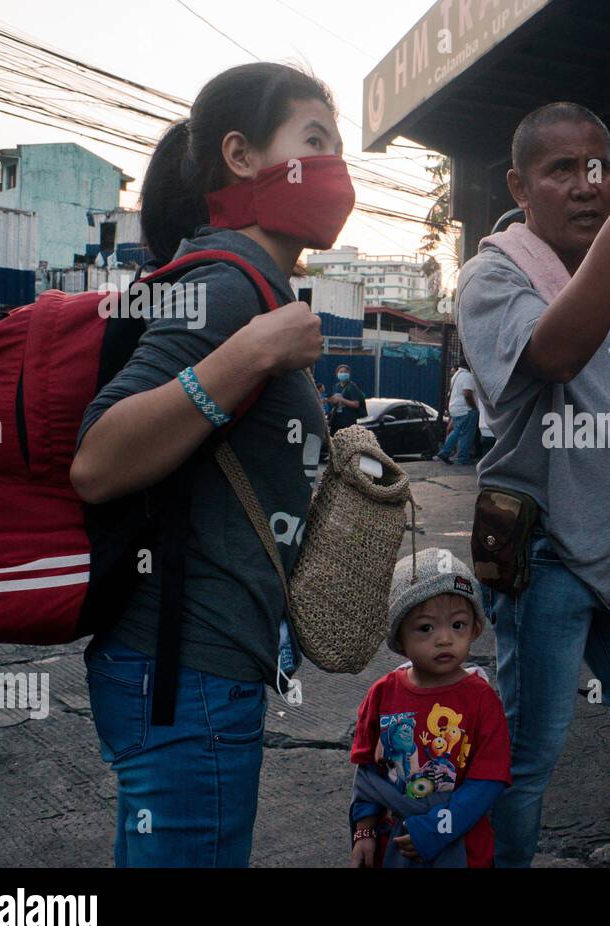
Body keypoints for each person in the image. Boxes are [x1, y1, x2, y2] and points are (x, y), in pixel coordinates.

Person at [70, 63, 350, 866]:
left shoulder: (250, 284)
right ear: (240, 154)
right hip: (186, 671)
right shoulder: (228, 289)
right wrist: (251, 353)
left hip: (189, 668)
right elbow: (98, 458)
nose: (335, 169)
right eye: (314, 142)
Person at [457, 101, 610, 867]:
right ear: (520, 185)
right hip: (546, 560)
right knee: (529, 759)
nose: (591, 186)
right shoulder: (493, 274)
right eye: (564, 170)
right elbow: (554, 354)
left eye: (602, 168)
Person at [348, 548, 511, 868]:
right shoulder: (383, 694)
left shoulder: (482, 700)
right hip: (393, 845)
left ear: (475, 629)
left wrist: (439, 829)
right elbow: (367, 775)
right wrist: (361, 833)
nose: (444, 639)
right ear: (399, 638)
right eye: (426, 628)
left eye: (458, 625)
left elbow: (488, 781)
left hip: (460, 845)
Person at [436, 362, 478, 464]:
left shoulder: (456, 375)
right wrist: (473, 407)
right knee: (466, 435)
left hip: (455, 409)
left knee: (456, 432)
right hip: (465, 409)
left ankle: (445, 452)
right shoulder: (468, 376)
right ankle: (463, 458)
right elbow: (467, 393)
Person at [327, 363, 366, 434]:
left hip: (348, 422)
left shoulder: (352, 387)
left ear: (349, 374)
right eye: (341, 372)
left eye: (345, 372)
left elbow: (356, 404)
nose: (343, 373)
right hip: (336, 421)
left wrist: (341, 399)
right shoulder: (336, 386)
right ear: (337, 374)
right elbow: (334, 402)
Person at [472, 374, 495, 458]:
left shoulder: (480, 391)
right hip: (495, 429)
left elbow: (477, 405)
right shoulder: (494, 392)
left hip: (483, 427)